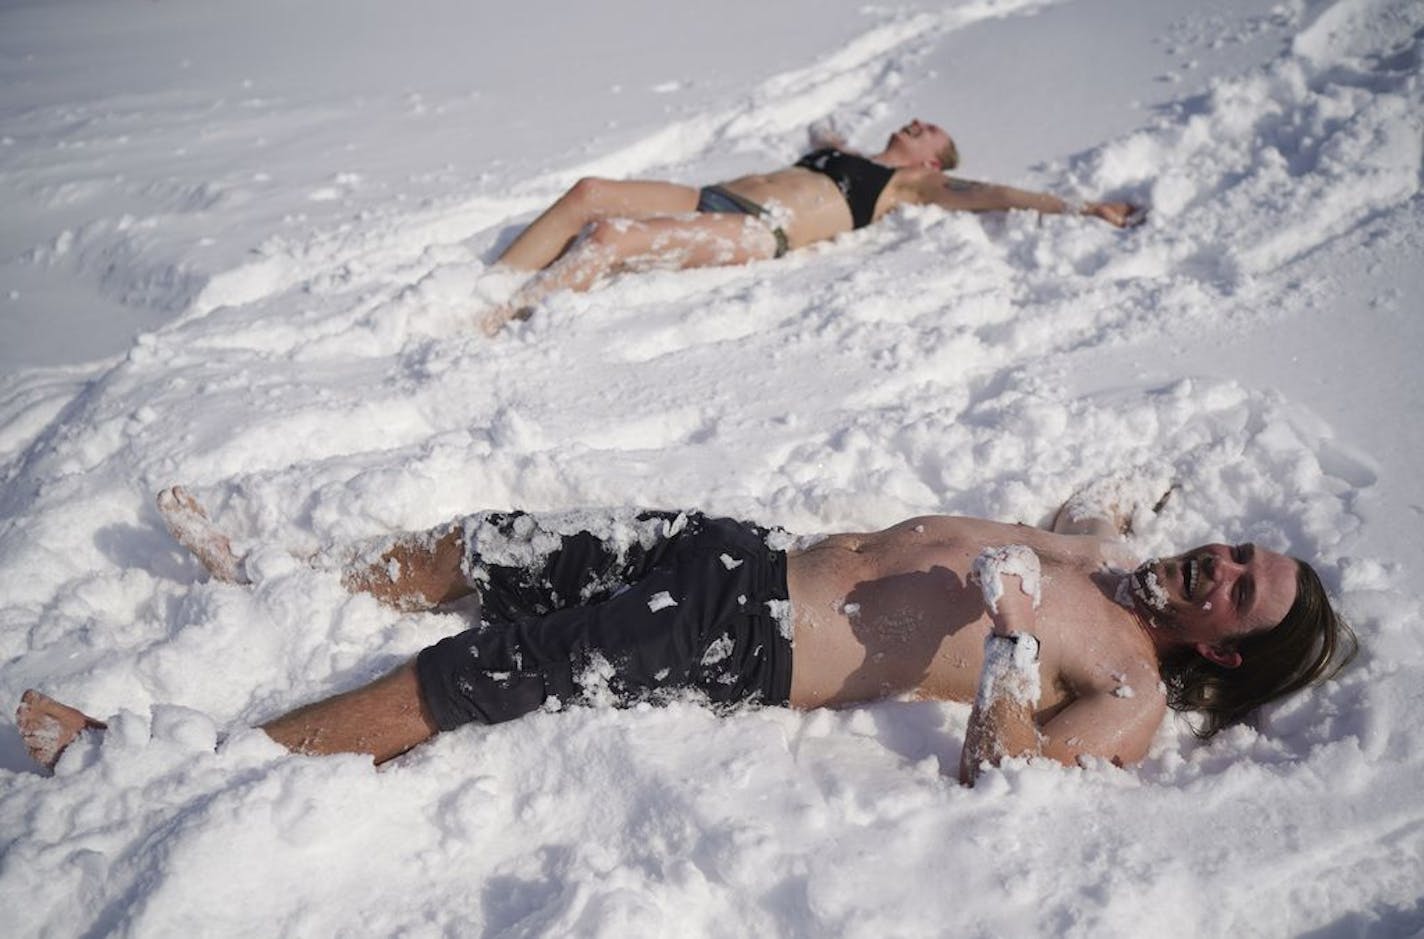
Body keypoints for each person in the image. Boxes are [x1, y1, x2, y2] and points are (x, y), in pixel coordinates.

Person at [16, 478, 1354, 785]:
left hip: (753, 633)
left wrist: (1007, 638)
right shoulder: (1108, 563)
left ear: (1224, 651)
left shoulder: (1123, 680)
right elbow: (1072, 522)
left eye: (1241, 587)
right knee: (501, 546)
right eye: (1239, 548)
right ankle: (291, 570)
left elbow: (1010, 777)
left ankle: (166, 761)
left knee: (499, 667)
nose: (1221, 562)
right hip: (737, 547)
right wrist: (1087, 525)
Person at [480, 118, 1145, 333]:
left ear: (934, 158)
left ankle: (506, 318)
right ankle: (483, 287)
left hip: (759, 230)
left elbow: (993, 192)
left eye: (929, 129)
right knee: (590, 193)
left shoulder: (910, 185)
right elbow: (823, 127)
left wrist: (1086, 207)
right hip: (710, 196)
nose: (916, 122)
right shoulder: (847, 152)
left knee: (611, 238)